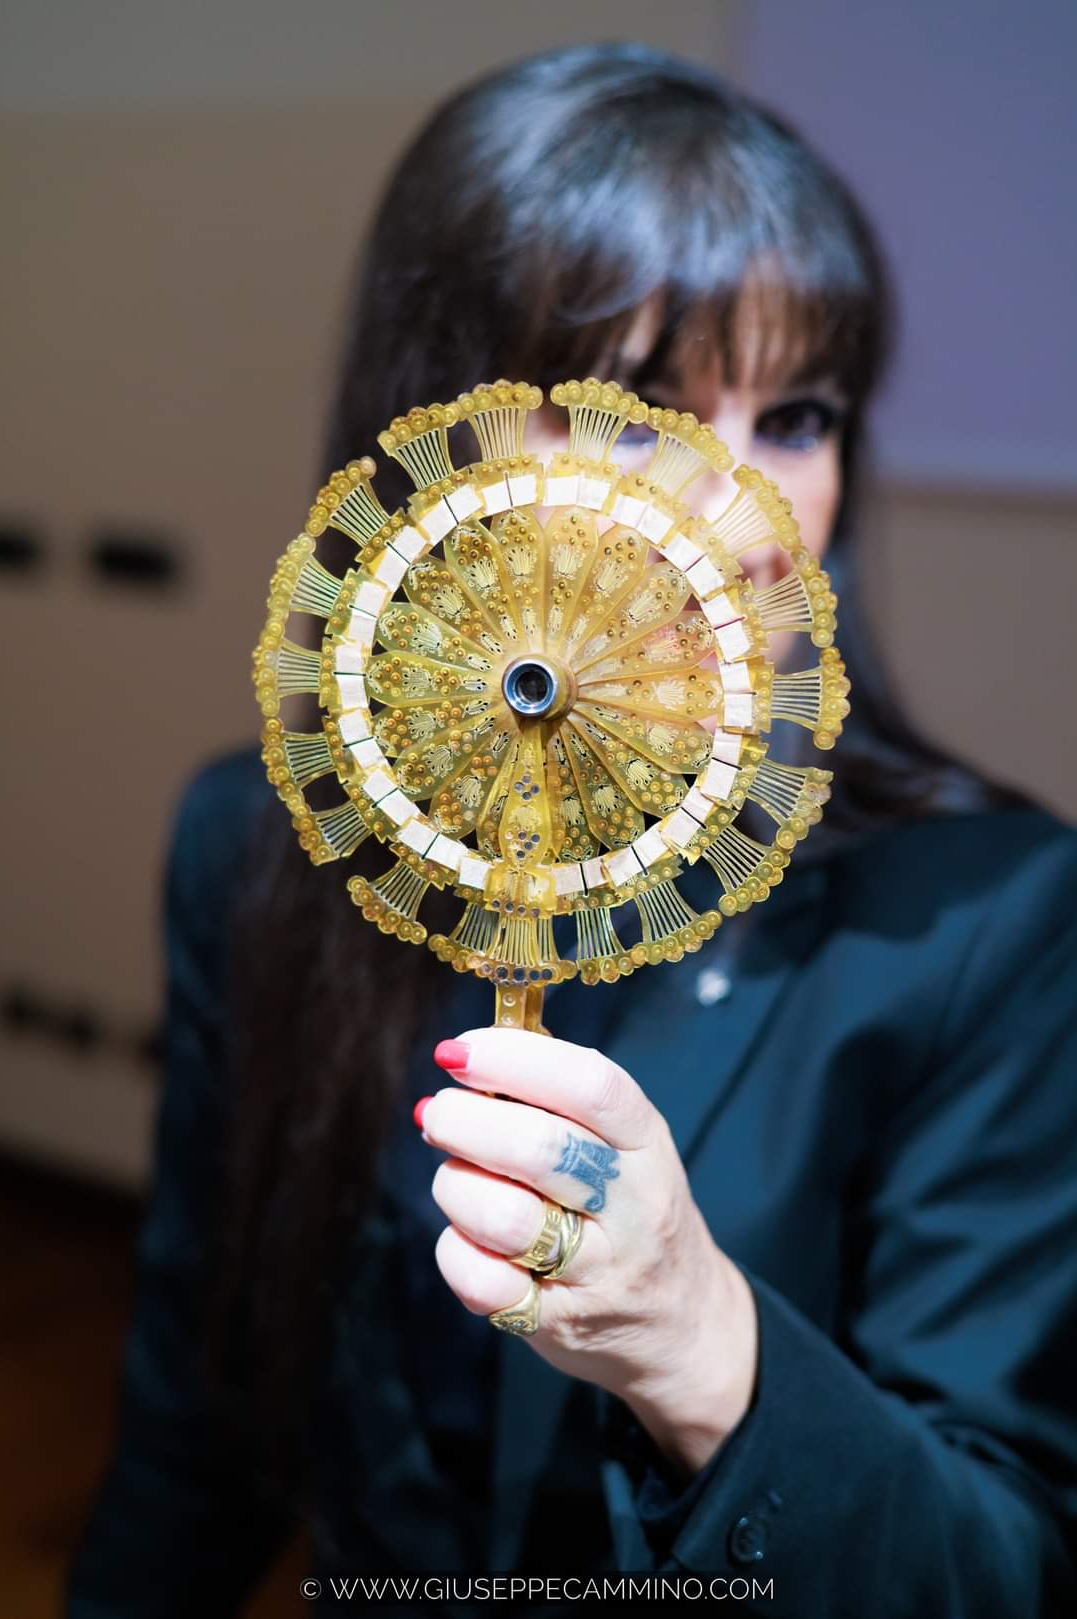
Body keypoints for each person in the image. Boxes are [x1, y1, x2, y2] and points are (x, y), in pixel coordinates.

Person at [66, 42, 1077, 1617]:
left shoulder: (983, 918)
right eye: (640, 414)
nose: (742, 517)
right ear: (432, 434)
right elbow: (202, 1413)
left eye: (798, 416)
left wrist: (699, 1341)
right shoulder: (257, 845)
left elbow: (1004, 1570)